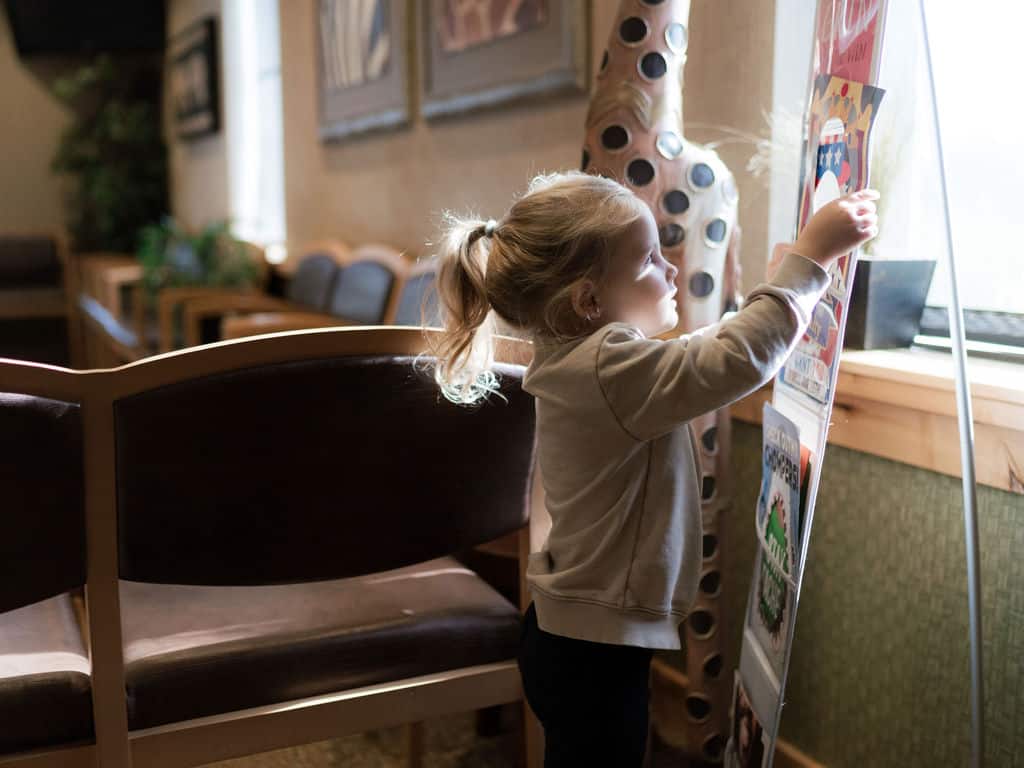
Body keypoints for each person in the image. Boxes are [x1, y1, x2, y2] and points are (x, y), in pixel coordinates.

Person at [428, 171, 878, 766]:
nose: (670, 270)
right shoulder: (609, 369)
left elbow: (704, 353)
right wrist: (811, 258)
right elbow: (735, 358)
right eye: (648, 259)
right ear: (588, 301)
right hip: (591, 652)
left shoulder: (584, 363)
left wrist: (784, 284)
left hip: (571, 637)